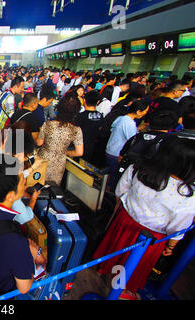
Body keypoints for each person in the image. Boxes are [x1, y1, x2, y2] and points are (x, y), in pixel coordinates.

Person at [93, 135, 195, 300]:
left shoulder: (138, 168)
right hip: (150, 238)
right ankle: (121, 292)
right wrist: (170, 247)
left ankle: (110, 276)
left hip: (124, 222)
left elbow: (120, 193)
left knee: (116, 253)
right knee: (133, 266)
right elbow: (177, 229)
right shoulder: (186, 196)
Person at [0, 155, 47, 297]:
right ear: (10, 196)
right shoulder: (16, 243)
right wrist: (35, 254)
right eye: (22, 181)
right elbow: (24, 288)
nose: (25, 181)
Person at [36, 93, 84, 185]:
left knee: (37, 184)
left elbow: (39, 143)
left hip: (43, 159)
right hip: (59, 162)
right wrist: (65, 152)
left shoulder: (48, 124)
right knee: (52, 188)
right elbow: (79, 152)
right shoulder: (76, 130)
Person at [105, 100, 150, 190]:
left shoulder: (122, 118)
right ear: (138, 111)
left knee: (110, 175)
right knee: (113, 178)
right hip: (117, 153)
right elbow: (132, 141)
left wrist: (137, 129)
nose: (145, 114)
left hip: (110, 150)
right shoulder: (129, 123)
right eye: (145, 111)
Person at [75, 90, 104, 163]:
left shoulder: (80, 116)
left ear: (84, 100)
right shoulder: (100, 116)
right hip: (91, 148)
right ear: (97, 102)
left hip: (77, 148)